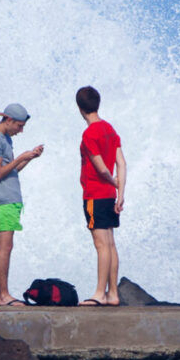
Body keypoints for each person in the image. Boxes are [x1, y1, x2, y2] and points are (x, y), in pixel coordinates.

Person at [0, 103, 43, 305]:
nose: (21, 130)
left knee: (1, 247)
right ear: (8, 120)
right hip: (4, 199)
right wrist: (20, 157)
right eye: (19, 126)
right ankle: (3, 295)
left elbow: (12, 170)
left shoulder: (5, 138)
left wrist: (29, 158)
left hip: (10, 197)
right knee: (5, 248)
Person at [76, 85, 125, 306]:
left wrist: (112, 181)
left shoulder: (89, 134)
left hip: (95, 194)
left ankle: (99, 293)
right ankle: (113, 294)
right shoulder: (109, 129)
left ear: (80, 108)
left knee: (101, 245)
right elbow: (121, 163)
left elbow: (102, 168)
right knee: (111, 244)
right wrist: (120, 191)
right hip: (109, 196)